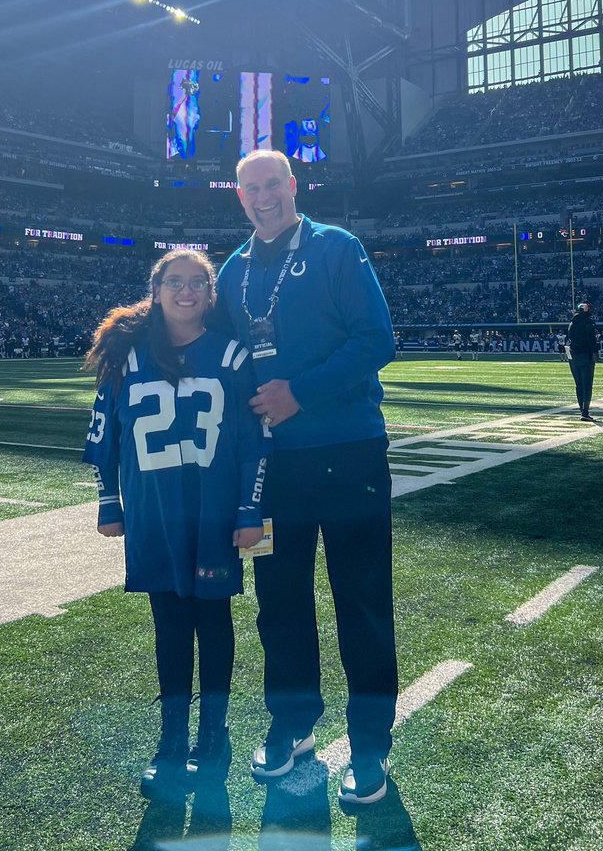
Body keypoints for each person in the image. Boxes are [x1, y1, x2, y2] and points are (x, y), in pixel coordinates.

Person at [212, 149, 398, 809]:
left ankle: (370, 744)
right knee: (278, 601)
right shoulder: (231, 272)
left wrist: (302, 393)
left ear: (294, 186)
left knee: (363, 599)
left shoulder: (337, 248)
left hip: (350, 454)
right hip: (268, 472)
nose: (264, 197)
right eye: (251, 189)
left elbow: (377, 339)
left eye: (273, 185)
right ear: (239, 197)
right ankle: (292, 723)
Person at [83, 250, 266, 799]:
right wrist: (108, 502)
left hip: (212, 512)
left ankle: (213, 736)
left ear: (211, 294)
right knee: (168, 625)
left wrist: (249, 509)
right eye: (175, 283)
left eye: (197, 284)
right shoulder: (127, 355)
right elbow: (105, 435)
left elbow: (253, 440)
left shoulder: (233, 356)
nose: (185, 293)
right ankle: (170, 741)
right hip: (154, 511)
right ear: (157, 289)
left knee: (213, 623)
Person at [566, 301, 599, 421]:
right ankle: (585, 412)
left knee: (579, 384)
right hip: (585, 355)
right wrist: (595, 353)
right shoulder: (588, 322)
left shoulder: (572, 322)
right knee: (587, 384)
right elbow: (591, 339)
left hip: (573, 356)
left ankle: (581, 410)